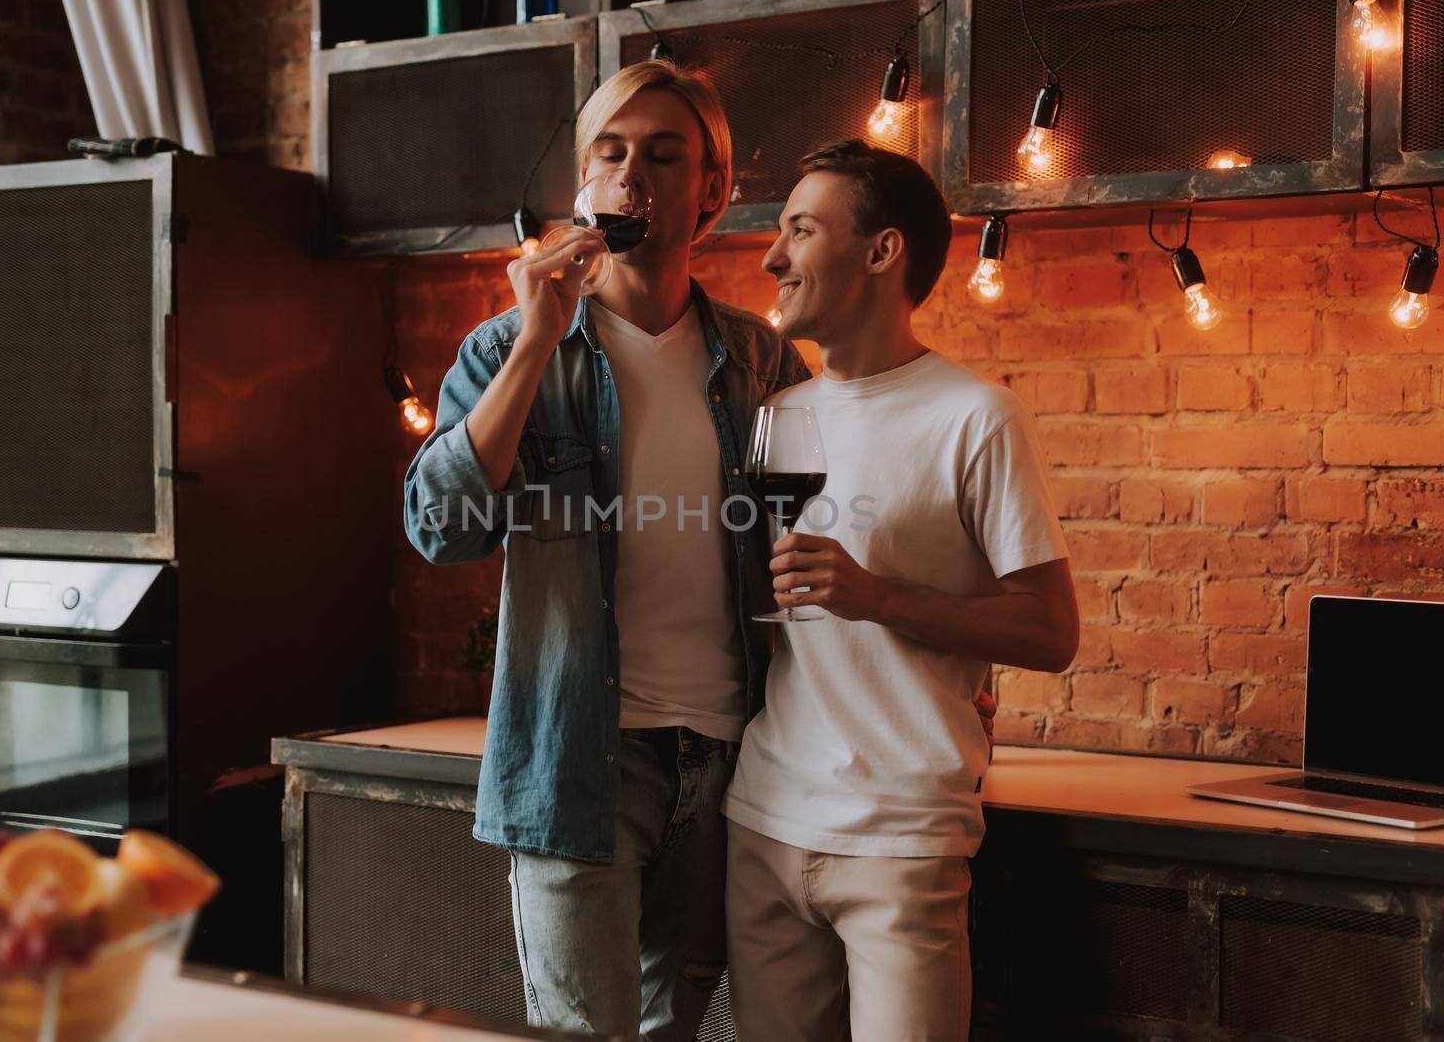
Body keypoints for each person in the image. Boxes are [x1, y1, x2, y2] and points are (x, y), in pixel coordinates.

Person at [403, 60, 808, 1039]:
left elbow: (811, 555)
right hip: (576, 767)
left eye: (666, 155)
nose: (634, 176)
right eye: (611, 152)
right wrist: (541, 337)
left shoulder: (763, 362)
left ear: (710, 192)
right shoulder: (505, 353)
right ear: (583, 184)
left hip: (732, 766)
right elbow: (441, 529)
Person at [721, 140, 1080, 1041]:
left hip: (903, 839)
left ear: (882, 252)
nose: (772, 257)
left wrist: (880, 597)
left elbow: (1051, 631)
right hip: (763, 822)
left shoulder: (975, 417)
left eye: (800, 230)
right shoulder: (778, 415)